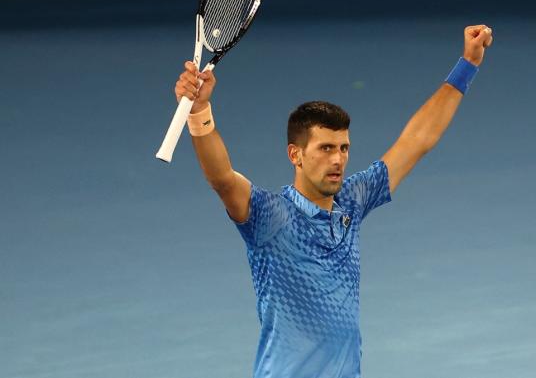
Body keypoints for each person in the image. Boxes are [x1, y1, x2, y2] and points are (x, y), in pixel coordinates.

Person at [174, 25, 493, 378]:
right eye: (326, 149)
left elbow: (417, 140)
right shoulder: (270, 216)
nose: (338, 159)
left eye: (343, 148)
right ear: (295, 154)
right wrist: (199, 112)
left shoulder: (353, 202)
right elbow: (222, 179)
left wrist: (468, 63)